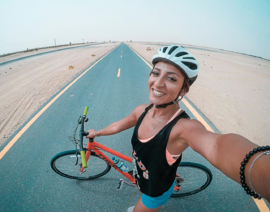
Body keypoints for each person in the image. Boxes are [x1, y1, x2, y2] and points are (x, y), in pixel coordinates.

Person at [87, 45, 270, 212]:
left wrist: (261, 169)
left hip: (154, 193)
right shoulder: (141, 111)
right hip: (145, 177)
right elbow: (119, 124)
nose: (158, 83)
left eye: (171, 78)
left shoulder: (183, 128)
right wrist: (98, 132)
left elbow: (218, 146)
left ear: (183, 90)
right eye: (155, 73)